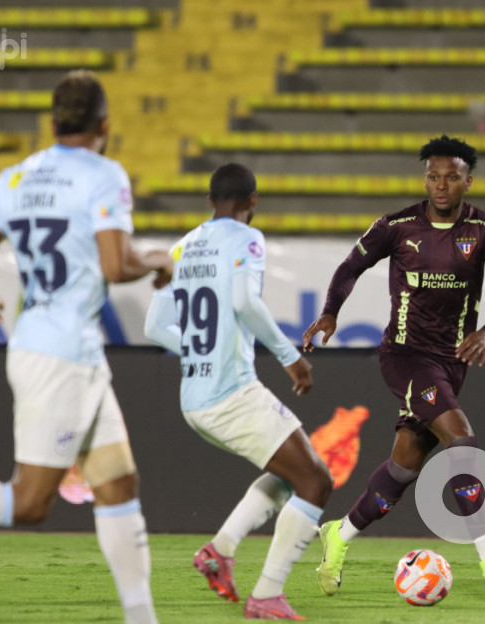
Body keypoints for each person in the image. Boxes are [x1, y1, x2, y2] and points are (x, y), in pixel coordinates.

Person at [0, 69, 173, 624]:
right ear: (105, 124)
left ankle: (143, 619)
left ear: (52, 121)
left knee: (117, 484)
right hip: (61, 355)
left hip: (63, 349)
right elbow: (117, 265)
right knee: (30, 501)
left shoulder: (16, 176)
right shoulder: (104, 174)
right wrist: (157, 261)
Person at [303, 135, 485, 594]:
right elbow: (350, 268)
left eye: (451, 177)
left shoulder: (484, 230)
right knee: (460, 437)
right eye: (433, 177)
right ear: (424, 179)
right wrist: (331, 310)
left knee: (404, 467)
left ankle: (339, 534)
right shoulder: (397, 225)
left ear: (469, 180)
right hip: (405, 356)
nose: (441, 186)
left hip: (452, 363)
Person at [144, 163, 332, 621]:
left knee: (292, 473)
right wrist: (290, 355)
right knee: (315, 481)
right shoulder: (247, 239)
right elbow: (245, 302)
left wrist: (196, 353)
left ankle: (221, 550)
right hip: (232, 392)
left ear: (210, 202)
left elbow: (153, 326)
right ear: (252, 202)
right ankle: (267, 594)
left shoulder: (183, 246)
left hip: (195, 396)